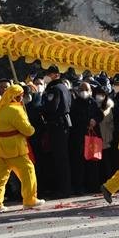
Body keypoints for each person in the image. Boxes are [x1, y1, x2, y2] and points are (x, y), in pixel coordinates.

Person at [0, 85, 45, 212]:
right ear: (14, 96)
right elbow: (28, 131)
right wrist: (31, 127)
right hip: (15, 147)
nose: (21, 98)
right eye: (20, 96)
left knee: (0, 176)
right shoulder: (16, 110)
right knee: (28, 172)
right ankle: (30, 200)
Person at [41, 65, 72, 199]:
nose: (47, 76)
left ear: (56, 75)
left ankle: (63, 190)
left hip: (57, 125)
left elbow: (51, 107)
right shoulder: (64, 87)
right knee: (63, 158)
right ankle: (65, 188)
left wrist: (41, 109)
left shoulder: (54, 89)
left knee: (60, 159)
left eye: (49, 73)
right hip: (63, 124)